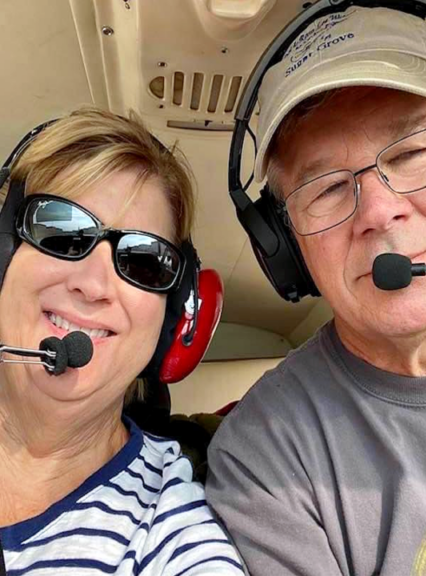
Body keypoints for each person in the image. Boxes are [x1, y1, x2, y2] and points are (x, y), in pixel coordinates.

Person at [206, 5, 426, 575]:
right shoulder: (267, 454)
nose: (380, 210)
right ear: (287, 248)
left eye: (414, 153)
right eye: (327, 188)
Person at [0, 109, 244, 574]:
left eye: (144, 260)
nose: (94, 285)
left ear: (174, 318)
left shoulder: (174, 535)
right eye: (61, 230)